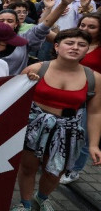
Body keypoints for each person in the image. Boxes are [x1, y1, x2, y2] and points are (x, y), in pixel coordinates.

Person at [12, 29, 101, 211]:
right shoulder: (36, 69)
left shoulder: (95, 79)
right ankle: (25, 203)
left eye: (82, 45)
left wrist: (93, 145)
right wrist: (26, 84)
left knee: (54, 172)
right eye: (70, 43)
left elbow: (94, 113)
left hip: (68, 131)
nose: (75, 47)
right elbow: (14, 101)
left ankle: (42, 197)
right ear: (57, 46)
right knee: (28, 168)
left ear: (87, 50)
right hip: (33, 128)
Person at [60, 12, 101, 184]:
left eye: (92, 26)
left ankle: (74, 170)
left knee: (83, 134)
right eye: (83, 25)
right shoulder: (73, 43)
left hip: (90, 97)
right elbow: (45, 32)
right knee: (63, 130)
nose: (86, 29)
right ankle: (58, 161)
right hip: (67, 93)